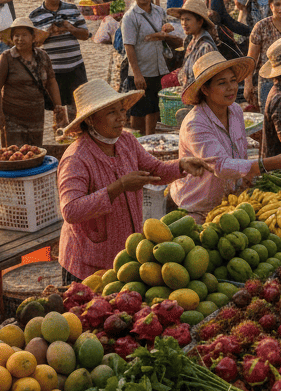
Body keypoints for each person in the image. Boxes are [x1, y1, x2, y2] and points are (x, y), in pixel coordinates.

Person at [57, 81, 214, 282]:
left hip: (125, 260)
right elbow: (71, 210)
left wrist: (182, 165)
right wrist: (118, 187)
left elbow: (156, 170)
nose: (122, 118)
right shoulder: (76, 159)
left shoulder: (126, 142)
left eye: (122, 110)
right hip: (87, 266)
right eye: (112, 113)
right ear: (91, 120)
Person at [170, 53, 281, 220]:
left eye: (233, 80)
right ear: (205, 89)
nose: (231, 88)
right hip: (196, 207)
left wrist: (246, 178)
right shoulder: (195, 124)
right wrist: (268, 163)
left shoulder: (235, 110)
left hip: (230, 201)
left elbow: (239, 153)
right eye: (222, 83)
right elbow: (220, 165)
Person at [0, 17, 65, 148]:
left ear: (33, 37)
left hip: (36, 116)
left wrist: (58, 107)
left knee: (33, 153)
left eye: (24, 35)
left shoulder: (43, 56)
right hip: (12, 117)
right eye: (16, 35)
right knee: (14, 154)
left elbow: (51, 81)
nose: (20, 39)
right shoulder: (6, 58)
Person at [121, 0, 181, 136]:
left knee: (155, 107)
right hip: (141, 71)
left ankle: (151, 138)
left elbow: (164, 33)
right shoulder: (130, 17)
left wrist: (166, 31)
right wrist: (137, 74)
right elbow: (129, 47)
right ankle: (138, 144)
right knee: (138, 111)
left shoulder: (159, 11)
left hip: (160, 67)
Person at [26, 0, 90, 120]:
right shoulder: (35, 16)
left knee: (79, 109)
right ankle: (62, 140)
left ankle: (78, 140)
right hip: (52, 70)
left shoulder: (72, 9)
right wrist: (48, 32)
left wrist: (71, 29)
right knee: (58, 111)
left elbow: (86, 35)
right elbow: (33, 45)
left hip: (75, 66)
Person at [166, 0, 222, 92]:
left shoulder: (205, 47)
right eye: (182, 19)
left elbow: (206, 80)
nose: (184, 23)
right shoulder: (192, 41)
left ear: (200, 22)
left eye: (188, 19)